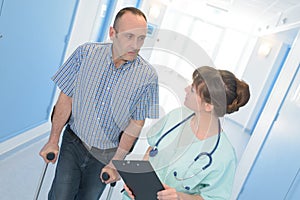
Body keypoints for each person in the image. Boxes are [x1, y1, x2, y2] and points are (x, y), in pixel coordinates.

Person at [39, 7, 159, 200]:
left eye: (141, 38)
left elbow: (136, 123)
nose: (135, 45)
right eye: (129, 36)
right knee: (60, 196)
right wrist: (53, 140)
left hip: (107, 153)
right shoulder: (85, 54)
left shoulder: (148, 76)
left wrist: (116, 162)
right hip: (74, 141)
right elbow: (65, 98)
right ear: (112, 33)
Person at [124, 66, 250, 200]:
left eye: (192, 90)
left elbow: (214, 198)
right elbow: (152, 149)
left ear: (209, 106)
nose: (186, 90)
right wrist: (138, 182)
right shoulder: (177, 116)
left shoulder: (224, 156)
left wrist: (180, 197)